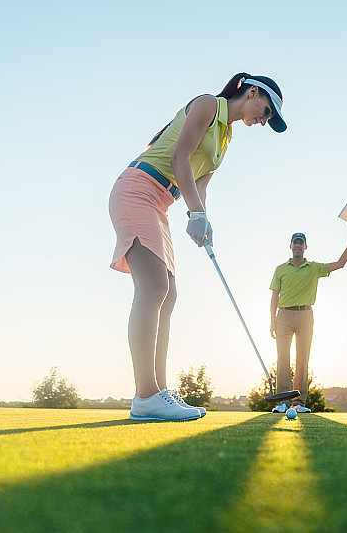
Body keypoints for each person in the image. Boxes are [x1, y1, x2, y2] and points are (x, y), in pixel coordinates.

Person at [109, 73, 287, 421]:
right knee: (154, 287)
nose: (264, 121)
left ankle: (157, 391)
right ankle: (145, 396)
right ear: (252, 92)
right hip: (137, 190)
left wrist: (204, 221)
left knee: (168, 294)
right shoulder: (208, 105)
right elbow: (179, 159)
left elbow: (199, 185)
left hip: (159, 203)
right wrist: (194, 213)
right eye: (266, 112)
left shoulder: (224, 141)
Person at [269, 226, 347, 413]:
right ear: (291, 246)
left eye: (301, 243)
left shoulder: (314, 268)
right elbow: (274, 297)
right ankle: (283, 402)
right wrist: (272, 320)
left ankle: (298, 402)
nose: (298, 246)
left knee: (303, 359)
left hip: (306, 315)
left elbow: (340, 263)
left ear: (305, 247)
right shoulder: (280, 269)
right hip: (283, 316)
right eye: (296, 243)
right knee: (282, 358)